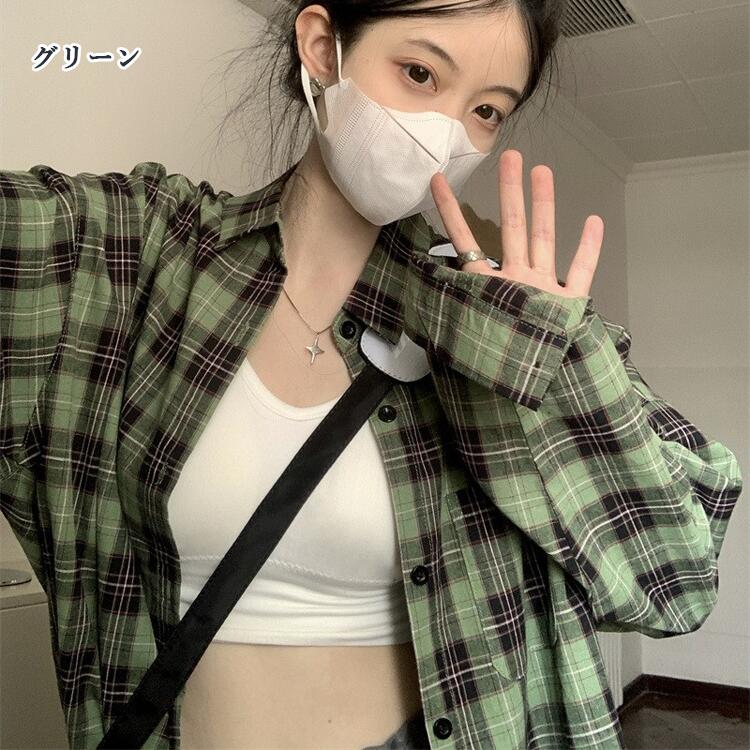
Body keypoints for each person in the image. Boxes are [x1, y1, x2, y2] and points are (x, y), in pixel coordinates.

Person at [0, 1, 743, 749]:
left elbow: (675, 585)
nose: (446, 135)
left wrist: (551, 363)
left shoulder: (491, 318)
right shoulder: (135, 254)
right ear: (323, 48)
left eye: (486, 111)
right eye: (420, 73)